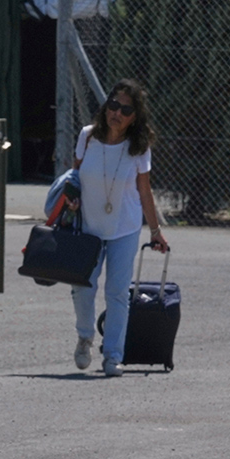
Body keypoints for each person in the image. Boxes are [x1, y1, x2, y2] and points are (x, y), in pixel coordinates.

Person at [69, 79, 169, 377]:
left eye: (125, 109)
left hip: (124, 226)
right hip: (88, 225)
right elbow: (74, 175)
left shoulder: (138, 147)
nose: (117, 113)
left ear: (134, 117)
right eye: (113, 105)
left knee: (117, 293)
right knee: (82, 288)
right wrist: (71, 199)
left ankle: (113, 355)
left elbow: (145, 190)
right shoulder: (88, 137)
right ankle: (85, 336)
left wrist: (155, 230)